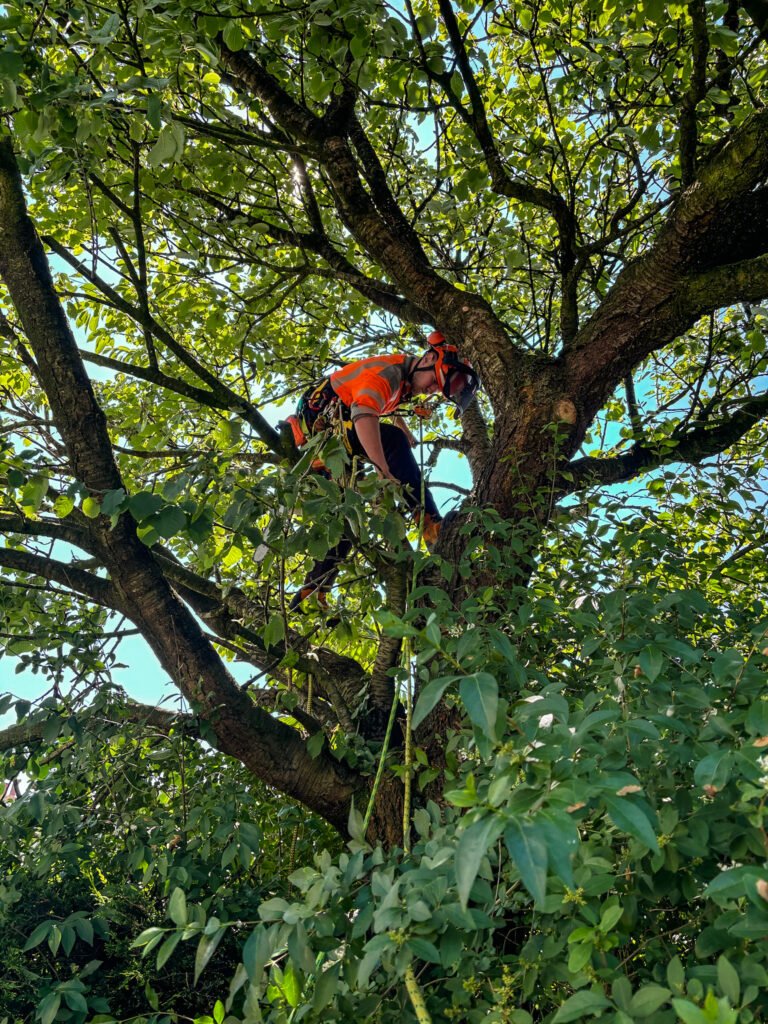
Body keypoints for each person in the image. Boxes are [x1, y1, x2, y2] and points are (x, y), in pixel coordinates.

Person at [285, 331, 479, 610]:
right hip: (326, 423)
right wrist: (382, 469)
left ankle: (315, 585)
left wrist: (404, 427)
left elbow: (383, 404)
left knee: (348, 512)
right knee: (391, 443)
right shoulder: (386, 374)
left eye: (439, 388)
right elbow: (364, 413)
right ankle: (430, 523)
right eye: (435, 381)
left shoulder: (400, 376)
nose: (433, 389)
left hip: (332, 437)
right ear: (427, 358)